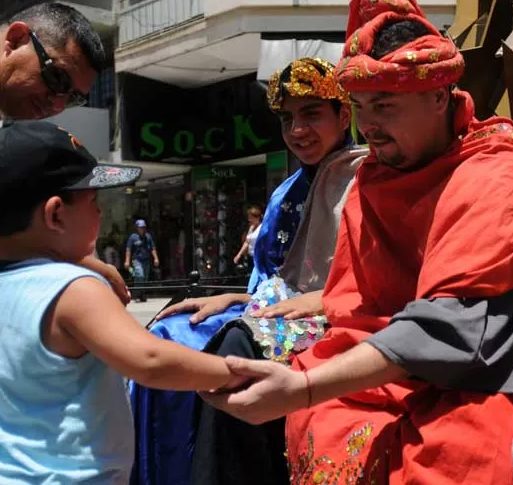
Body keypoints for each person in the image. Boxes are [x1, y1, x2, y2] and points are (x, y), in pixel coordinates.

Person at [201, 0, 513, 484]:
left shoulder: (496, 172)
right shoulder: (375, 174)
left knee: (460, 449)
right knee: (235, 352)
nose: (370, 127)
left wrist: (304, 386)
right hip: (389, 347)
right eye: (361, 108)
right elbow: (358, 301)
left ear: (437, 95)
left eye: (384, 107)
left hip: (495, 352)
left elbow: (453, 324)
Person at [0, 121, 246, 484]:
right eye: (94, 202)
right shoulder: (73, 288)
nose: (101, 213)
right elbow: (151, 360)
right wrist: (239, 373)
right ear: (56, 214)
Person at [130, 57, 365, 485]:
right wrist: (235, 297)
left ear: (344, 114)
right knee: (171, 331)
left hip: (339, 317)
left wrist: (324, 297)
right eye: (287, 119)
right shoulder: (285, 193)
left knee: (236, 343)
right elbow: (275, 280)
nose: (297, 130)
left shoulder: (366, 179)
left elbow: (367, 275)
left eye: (312, 114)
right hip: (276, 309)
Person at [0, 2, 129, 302]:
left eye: (72, 99)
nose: (56, 105)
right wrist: (75, 267)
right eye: (57, 80)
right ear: (15, 40)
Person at [125, 219, 159, 302]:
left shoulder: (148, 237)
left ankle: (141, 294)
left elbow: (152, 248)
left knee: (144, 278)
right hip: (137, 260)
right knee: (140, 275)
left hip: (146, 260)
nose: (142, 229)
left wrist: (156, 258)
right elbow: (128, 249)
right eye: (140, 227)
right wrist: (127, 261)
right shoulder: (133, 237)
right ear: (137, 228)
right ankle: (138, 293)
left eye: (143, 227)